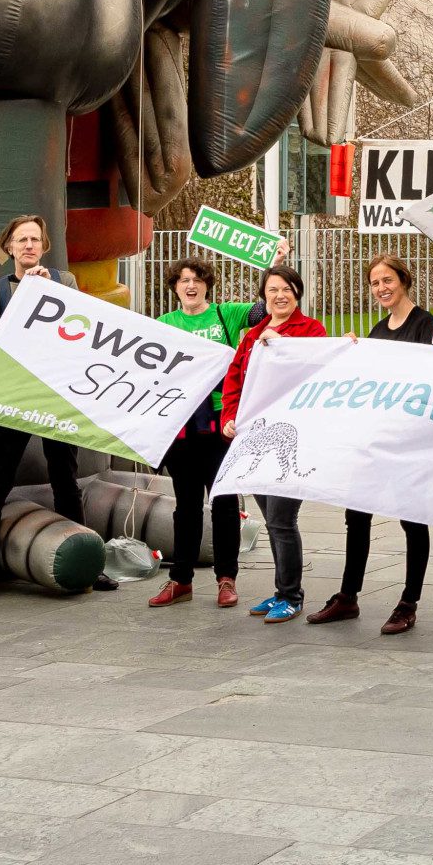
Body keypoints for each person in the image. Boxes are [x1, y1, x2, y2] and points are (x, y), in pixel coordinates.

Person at [0, 214, 108, 606]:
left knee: (66, 479)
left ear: (44, 246)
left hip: (54, 397)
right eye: (21, 240)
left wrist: (52, 296)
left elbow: (85, 332)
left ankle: (87, 564)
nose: (28, 245)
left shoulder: (64, 283)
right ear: (9, 247)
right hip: (12, 398)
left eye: (35, 239)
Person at [314, 252, 433, 633]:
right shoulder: (378, 330)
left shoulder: (426, 325)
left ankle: (408, 603)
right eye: (375, 283)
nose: (381, 288)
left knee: (413, 521)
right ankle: (348, 597)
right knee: (357, 515)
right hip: (377, 440)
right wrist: (353, 354)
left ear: (404, 280)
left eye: (388, 280)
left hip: (411, 441)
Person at [217, 262, 331, 620]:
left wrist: (283, 346)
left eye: (286, 289)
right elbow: (234, 380)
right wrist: (229, 418)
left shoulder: (312, 330)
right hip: (255, 438)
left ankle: (292, 596)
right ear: (264, 298)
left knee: (282, 519)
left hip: (292, 437)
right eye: (272, 291)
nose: (279, 296)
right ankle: (282, 590)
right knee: (271, 520)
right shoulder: (252, 336)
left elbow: (317, 374)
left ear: (297, 292)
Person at [143, 258, 252, 608]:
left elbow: (267, 307)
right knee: (186, 506)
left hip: (221, 423)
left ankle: (226, 578)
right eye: (183, 280)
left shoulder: (226, 315)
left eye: (197, 280)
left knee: (223, 503)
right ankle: (181, 580)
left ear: (208, 285)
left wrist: (275, 261)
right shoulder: (165, 324)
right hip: (182, 426)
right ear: (174, 287)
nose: (190, 286)